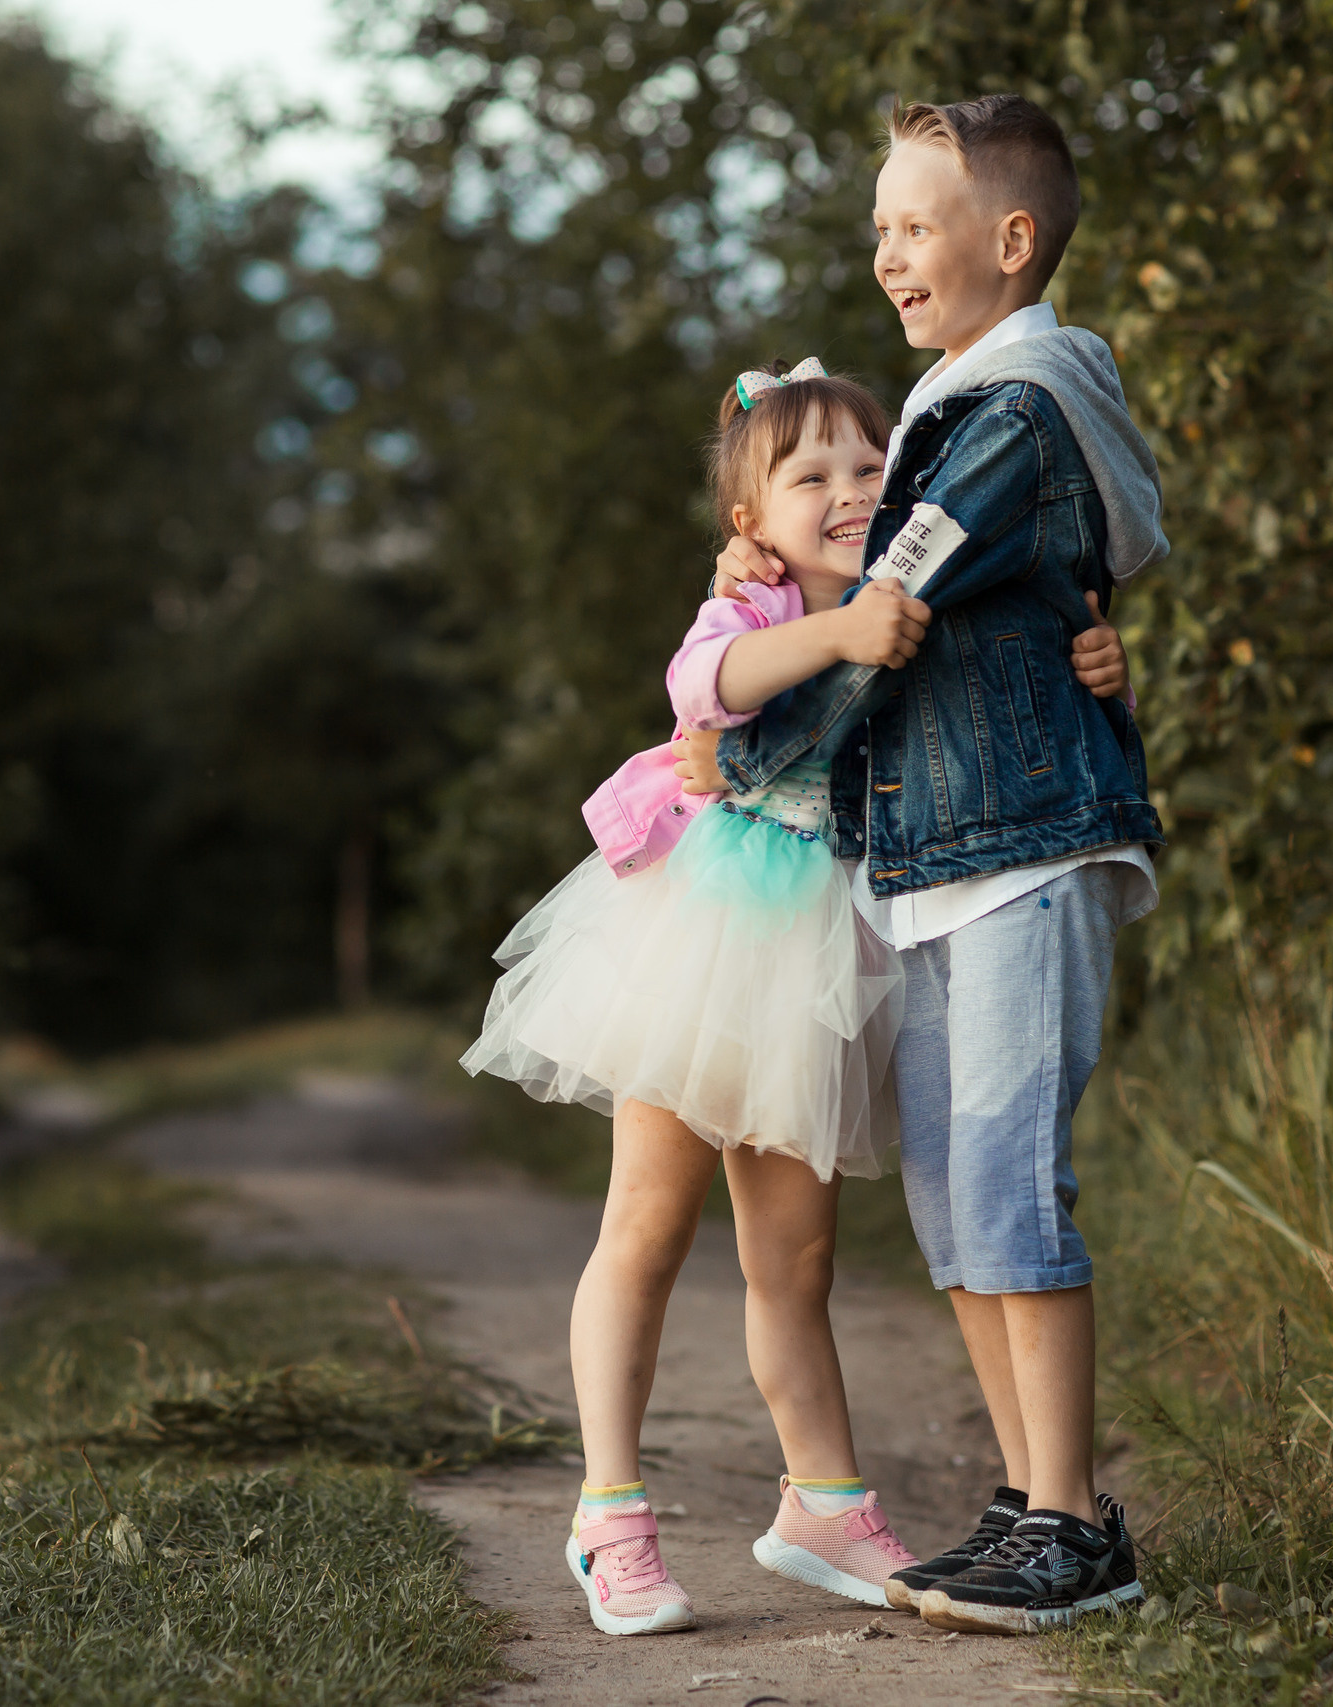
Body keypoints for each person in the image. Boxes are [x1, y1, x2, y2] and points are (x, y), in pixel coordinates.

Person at [463, 357, 1131, 1637]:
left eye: (868, 469)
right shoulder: (750, 611)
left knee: (796, 1256)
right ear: (750, 522)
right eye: (808, 475)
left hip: (829, 956)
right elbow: (701, 693)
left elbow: (1001, 708)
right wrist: (834, 628)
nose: (843, 491)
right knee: (647, 1227)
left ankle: (820, 1497)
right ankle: (609, 1513)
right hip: (707, 935)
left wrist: (1100, 661)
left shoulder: (931, 600)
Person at [683, 93, 1166, 1636]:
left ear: (1008, 240)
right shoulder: (955, 415)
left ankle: (1076, 1522)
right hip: (945, 856)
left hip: (1020, 851)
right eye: (879, 226)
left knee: (1014, 1183)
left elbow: (896, 609)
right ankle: (1038, 1503)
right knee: (961, 1204)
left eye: (913, 223)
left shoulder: (1010, 413)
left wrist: (740, 738)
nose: (887, 251)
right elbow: (916, 584)